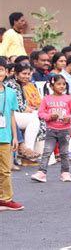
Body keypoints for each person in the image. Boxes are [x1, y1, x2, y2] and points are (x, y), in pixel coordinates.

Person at [31, 75, 71, 183]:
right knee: (47, 151)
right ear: (52, 86)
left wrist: (69, 118)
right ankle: (42, 172)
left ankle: (65, 172)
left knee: (64, 152)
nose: (61, 86)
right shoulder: (47, 99)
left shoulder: (69, 98)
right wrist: (49, 117)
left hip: (65, 129)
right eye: (58, 84)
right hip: (51, 129)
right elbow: (41, 113)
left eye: (63, 84)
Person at [0, 58, 23, 211]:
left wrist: (15, 136)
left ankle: (5, 199)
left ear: (6, 72)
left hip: (5, 137)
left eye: (1, 69)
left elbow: (12, 115)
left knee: (5, 170)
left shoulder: (10, 92)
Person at [5, 64, 41, 160]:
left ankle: (29, 150)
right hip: (8, 114)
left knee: (38, 116)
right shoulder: (12, 84)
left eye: (29, 74)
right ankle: (26, 150)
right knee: (34, 119)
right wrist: (33, 111)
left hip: (14, 114)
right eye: (24, 73)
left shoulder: (20, 84)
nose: (27, 76)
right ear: (16, 74)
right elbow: (19, 107)